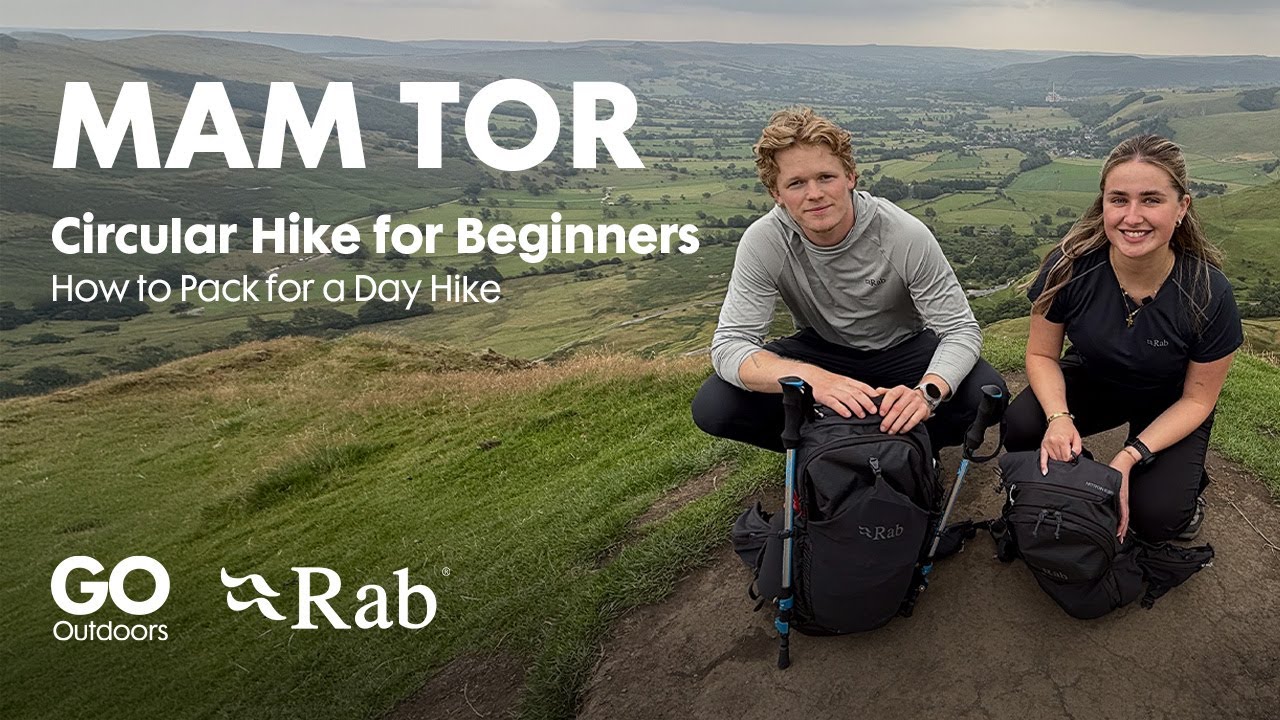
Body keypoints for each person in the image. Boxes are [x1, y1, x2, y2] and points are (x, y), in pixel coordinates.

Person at [691, 106, 1006, 454]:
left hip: (902, 349)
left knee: (986, 392)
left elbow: (960, 329)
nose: (814, 193)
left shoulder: (903, 234)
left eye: (826, 177)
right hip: (821, 350)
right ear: (776, 194)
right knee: (716, 406)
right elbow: (730, 345)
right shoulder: (765, 241)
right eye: (796, 183)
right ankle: (829, 449)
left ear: (851, 176)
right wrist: (815, 379)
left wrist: (926, 393)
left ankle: (912, 450)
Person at [1004, 134, 1242, 543]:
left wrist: (1130, 456)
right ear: (1103, 205)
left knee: (1158, 518)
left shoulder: (1209, 292)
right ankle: (1081, 476)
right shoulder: (1068, 268)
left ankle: (1173, 486)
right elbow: (1041, 354)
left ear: (1181, 207)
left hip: (1169, 402)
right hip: (1095, 381)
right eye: (1119, 199)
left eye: (1151, 200)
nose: (1132, 217)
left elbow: (1198, 400)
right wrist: (1059, 419)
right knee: (1021, 426)